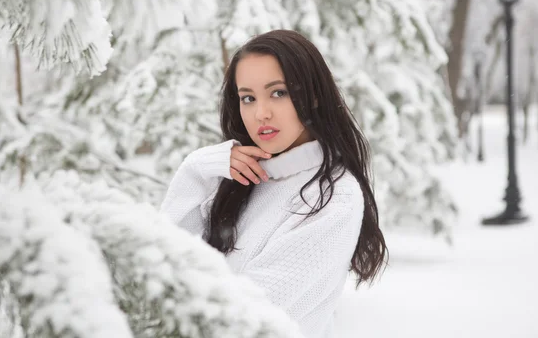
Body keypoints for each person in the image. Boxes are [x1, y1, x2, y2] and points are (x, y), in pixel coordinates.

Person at [160, 29, 387, 338]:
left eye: (278, 92)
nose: (261, 114)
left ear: (314, 95)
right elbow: (162, 266)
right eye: (248, 98)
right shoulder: (239, 179)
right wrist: (195, 170)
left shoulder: (334, 197)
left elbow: (241, 319)